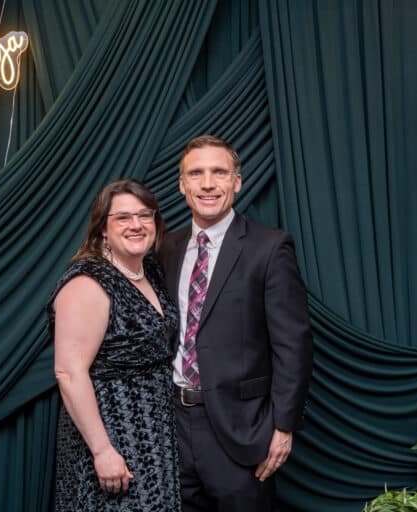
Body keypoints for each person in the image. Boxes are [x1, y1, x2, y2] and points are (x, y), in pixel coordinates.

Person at [160, 135, 313, 512]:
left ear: (237, 181)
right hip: (173, 425)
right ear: (182, 185)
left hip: (242, 429)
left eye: (219, 172)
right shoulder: (166, 249)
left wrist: (283, 427)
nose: (207, 184)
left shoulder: (269, 247)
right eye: (196, 174)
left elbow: (293, 345)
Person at [48, 178, 181, 511]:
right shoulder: (88, 281)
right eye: (122, 217)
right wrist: (102, 450)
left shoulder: (148, 271)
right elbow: (69, 372)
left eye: (144, 215)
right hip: (111, 433)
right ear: (103, 229)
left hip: (153, 434)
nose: (136, 225)